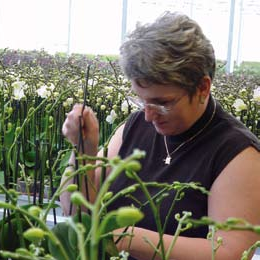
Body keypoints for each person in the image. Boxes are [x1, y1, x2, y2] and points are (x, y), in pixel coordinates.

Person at [60, 11, 260, 260]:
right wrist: (83, 152)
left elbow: (228, 252)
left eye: (162, 103)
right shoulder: (135, 127)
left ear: (202, 88)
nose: (148, 116)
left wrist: (128, 238)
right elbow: (75, 212)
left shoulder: (238, 154)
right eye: (141, 100)